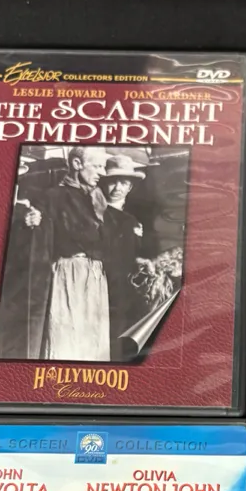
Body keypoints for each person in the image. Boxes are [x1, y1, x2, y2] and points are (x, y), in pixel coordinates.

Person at [24, 146, 111, 362]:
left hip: (96, 274)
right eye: (97, 166)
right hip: (69, 273)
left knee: (93, 338)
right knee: (67, 334)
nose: (102, 173)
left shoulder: (98, 198)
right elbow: (40, 232)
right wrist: (31, 220)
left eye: (103, 167)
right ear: (76, 164)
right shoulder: (53, 196)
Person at [97, 154, 146, 361]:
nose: (118, 187)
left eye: (124, 182)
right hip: (102, 284)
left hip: (127, 289)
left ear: (130, 187)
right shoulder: (95, 213)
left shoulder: (132, 220)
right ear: (103, 183)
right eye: (113, 181)